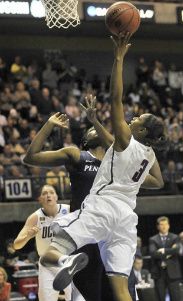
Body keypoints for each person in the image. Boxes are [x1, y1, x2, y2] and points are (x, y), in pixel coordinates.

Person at [39, 33, 166, 301]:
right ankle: (68, 262)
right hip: (126, 219)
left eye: (138, 118)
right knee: (122, 291)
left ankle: (67, 263)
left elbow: (116, 98)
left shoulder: (126, 140)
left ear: (141, 129)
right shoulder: (148, 155)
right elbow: (158, 182)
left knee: (52, 248)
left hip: (103, 207)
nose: (133, 116)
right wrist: (136, 179)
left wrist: (119, 58)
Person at [23, 100, 115, 301]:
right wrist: (48, 125)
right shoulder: (78, 156)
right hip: (85, 233)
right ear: (85, 141)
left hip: (110, 235)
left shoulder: (116, 164)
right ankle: (67, 261)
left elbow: (156, 181)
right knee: (90, 295)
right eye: (90, 130)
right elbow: (30, 158)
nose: (95, 130)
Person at [13, 185, 72, 301]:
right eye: (44, 193)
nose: (48, 195)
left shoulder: (69, 210)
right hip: (47, 264)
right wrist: (28, 236)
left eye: (51, 192)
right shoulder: (35, 217)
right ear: (39, 199)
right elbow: (16, 244)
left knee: (76, 298)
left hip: (68, 261)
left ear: (56, 196)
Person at [149, 216, 182, 301]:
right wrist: (170, 252)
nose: (164, 226)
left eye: (166, 224)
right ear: (158, 226)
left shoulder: (175, 237)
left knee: (176, 297)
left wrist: (163, 250)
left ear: (169, 226)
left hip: (173, 272)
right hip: (159, 273)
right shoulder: (153, 239)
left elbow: (177, 250)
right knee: (160, 298)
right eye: (161, 224)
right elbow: (153, 254)